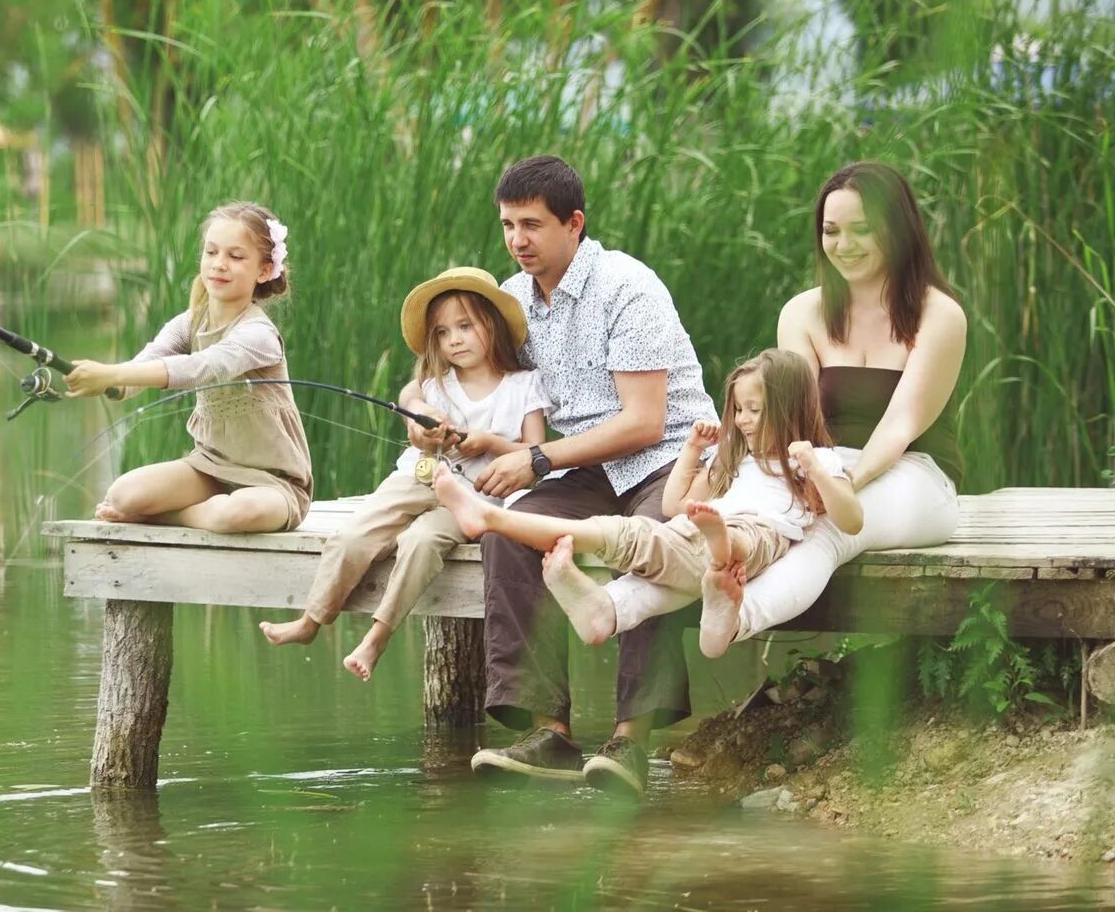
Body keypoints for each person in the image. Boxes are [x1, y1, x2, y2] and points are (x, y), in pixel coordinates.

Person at [403, 155, 718, 799]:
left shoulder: (628, 287)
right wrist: (435, 419)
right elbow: (473, 379)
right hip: (585, 468)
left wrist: (538, 458)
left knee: (652, 538)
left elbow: (644, 422)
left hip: (666, 459)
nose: (517, 241)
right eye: (508, 226)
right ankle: (549, 730)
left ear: (574, 224)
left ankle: (630, 740)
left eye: (532, 225)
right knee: (510, 533)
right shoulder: (510, 299)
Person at [605, 161, 966, 652]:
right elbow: (791, 418)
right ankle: (612, 606)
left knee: (827, 527)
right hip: (819, 466)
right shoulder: (803, 312)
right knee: (720, 521)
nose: (845, 245)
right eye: (832, 231)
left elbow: (901, 424)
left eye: (862, 229)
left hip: (913, 475)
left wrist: (833, 487)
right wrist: (766, 476)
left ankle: (737, 617)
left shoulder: (938, 314)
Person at [432, 350, 863, 659]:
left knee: (670, 537)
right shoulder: (733, 459)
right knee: (655, 535)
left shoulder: (812, 460)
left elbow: (851, 519)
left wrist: (816, 467)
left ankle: (490, 515)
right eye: (739, 410)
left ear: (789, 410)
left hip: (756, 536)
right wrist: (693, 450)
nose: (744, 420)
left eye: (756, 410)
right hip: (699, 532)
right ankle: (608, 609)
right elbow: (676, 504)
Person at [260, 268, 550, 680]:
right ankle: (311, 620)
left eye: (465, 326)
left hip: (472, 498)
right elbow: (413, 409)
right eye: (443, 332)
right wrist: (428, 427)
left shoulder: (523, 385)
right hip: (417, 477)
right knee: (353, 535)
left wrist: (488, 443)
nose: (454, 339)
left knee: (420, 541)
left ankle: (376, 638)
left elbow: (534, 453)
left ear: (492, 324)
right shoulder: (433, 387)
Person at [66, 201, 313, 533]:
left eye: (235, 257)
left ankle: (171, 517)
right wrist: (110, 381)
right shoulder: (189, 323)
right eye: (211, 252)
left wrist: (112, 373)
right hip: (210, 468)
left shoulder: (259, 334)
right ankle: (202, 510)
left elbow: (201, 368)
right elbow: (149, 361)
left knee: (236, 515)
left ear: (264, 271)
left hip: (274, 484)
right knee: (123, 495)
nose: (219, 265)